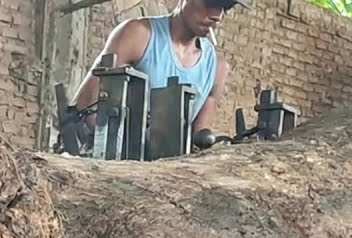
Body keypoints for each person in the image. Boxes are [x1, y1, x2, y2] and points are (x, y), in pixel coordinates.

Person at [71, 0, 245, 138]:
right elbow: (84, 105)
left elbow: (200, 135)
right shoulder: (137, 35)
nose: (218, 16)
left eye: (225, 7)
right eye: (211, 3)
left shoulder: (217, 68)